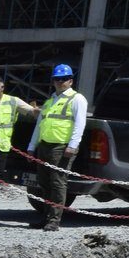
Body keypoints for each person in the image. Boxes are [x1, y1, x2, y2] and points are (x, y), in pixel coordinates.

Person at [25, 64, 87, 232]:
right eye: (56, 79)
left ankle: (54, 220)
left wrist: (72, 146)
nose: (60, 82)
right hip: (44, 146)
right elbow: (39, 125)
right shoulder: (50, 101)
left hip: (61, 147)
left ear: (70, 81)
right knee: (44, 183)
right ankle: (46, 218)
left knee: (58, 183)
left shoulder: (77, 99)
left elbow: (80, 125)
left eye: (64, 79)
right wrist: (32, 147)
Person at [0, 77, 38, 216]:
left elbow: (33, 112)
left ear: (2, 87)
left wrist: (44, 110)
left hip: (0, 148)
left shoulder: (13, 101)